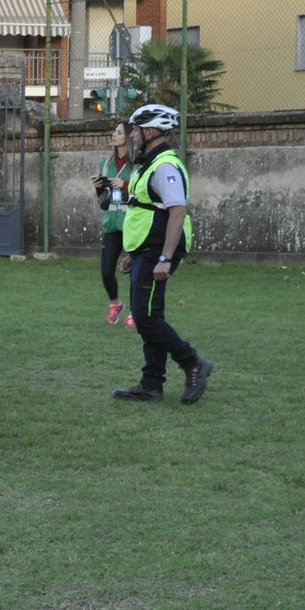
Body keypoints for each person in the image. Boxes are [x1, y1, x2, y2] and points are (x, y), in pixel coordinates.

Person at [110, 104, 213, 404]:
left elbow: (177, 212)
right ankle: (151, 384)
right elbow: (146, 210)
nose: (134, 136)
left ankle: (193, 363)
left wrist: (165, 258)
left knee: (144, 317)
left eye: (137, 130)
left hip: (159, 251)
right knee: (150, 315)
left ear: (151, 131)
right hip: (148, 249)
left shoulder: (165, 166)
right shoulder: (149, 163)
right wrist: (136, 253)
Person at [94, 122, 134, 328]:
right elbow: (103, 199)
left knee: (137, 270)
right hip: (111, 224)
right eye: (114, 132)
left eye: (118, 132)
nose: (113, 135)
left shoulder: (137, 164)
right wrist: (98, 187)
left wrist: (125, 185)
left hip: (133, 224)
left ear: (128, 137)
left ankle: (136, 312)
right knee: (106, 270)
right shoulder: (106, 162)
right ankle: (115, 304)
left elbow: (142, 192)